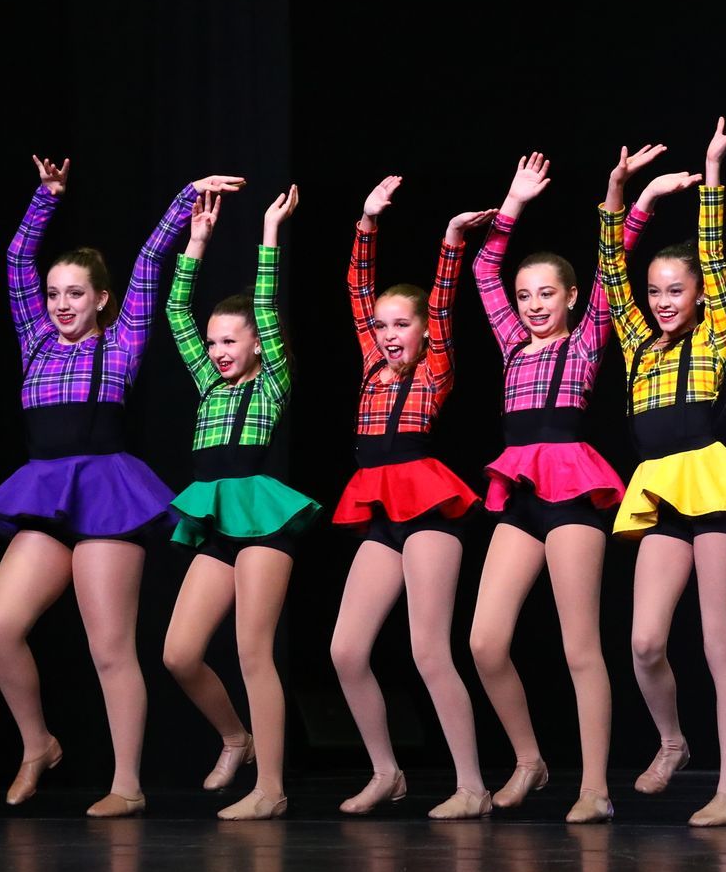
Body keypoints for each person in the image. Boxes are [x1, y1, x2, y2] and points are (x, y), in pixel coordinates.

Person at [0, 156, 243, 818]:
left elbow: (151, 262)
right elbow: (16, 260)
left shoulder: (121, 342)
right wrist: (46, 197)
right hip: (46, 494)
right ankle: (38, 743)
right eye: (54, 294)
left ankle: (127, 784)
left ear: (101, 298)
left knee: (109, 648)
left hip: (104, 493)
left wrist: (185, 197)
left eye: (75, 293)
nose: (61, 305)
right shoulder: (35, 341)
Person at [465, 150, 656, 824]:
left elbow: (612, 263)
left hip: (572, 488)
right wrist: (512, 204)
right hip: (518, 490)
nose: (533, 305)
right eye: (526, 296)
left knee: (580, 646)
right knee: (485, 641)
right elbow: (483, 269)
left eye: (546, 294)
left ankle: (595, 786)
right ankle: (530, 760)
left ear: (571, 297)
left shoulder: (588, 337)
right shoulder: (512, 343)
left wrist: (623, 198)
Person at [599, 120, 726, 828]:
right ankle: (672, 740)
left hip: (711, 486)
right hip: (659, 489)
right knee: (645, 642)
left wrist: (710, 171)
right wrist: (619, 193)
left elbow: (713, 253)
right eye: (657, 290)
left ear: (699, 294)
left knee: (717, 642)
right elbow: (611, 271)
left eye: (677, 289)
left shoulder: (716, 333)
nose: (664, 299)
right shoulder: (637, 344)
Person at [327, 176, 494, 819]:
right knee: (346, 650)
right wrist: (366, 221)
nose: (390, 334)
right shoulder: (372, 364)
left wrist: (451, 241)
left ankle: (472, 786)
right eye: (383, 325)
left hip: (426, 507)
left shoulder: (435, 368)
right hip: (379, 506)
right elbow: (356, 289)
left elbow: (445, 304)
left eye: (403, 324)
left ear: (424, 331)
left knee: (428, 649)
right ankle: (386, 773)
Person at [161, 185, 319, 822]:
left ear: (257, 344)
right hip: (217, 520)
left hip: (264, 521)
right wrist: (195, 243)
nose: (219, 351)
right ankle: (236, 738)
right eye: (214, 342)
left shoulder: (272, 381)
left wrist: (269, 235)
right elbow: (176, 311)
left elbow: (267, 305)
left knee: (253, 650)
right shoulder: (208, 383)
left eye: (231, 341)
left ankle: (271, 788)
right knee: (179, 653)